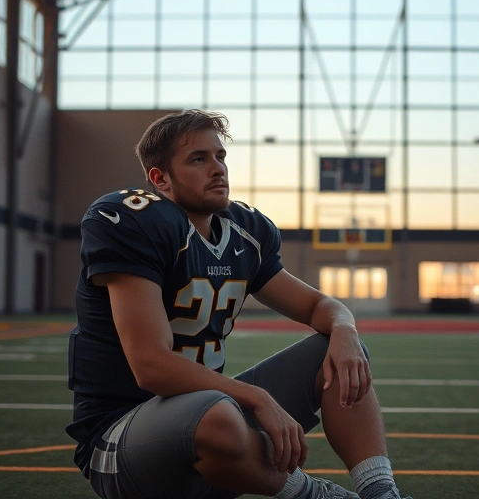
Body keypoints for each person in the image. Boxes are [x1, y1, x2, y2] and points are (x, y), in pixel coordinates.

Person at [66, 109, 411, 499]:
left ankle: (382, 492)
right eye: (199, 159)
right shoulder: (133, 222)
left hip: (212, 430)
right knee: (217, 413)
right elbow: (151, 367)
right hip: (123, 444)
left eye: (220, 156)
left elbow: (321, 308)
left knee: (337, 353)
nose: (217, 169)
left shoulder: (243, 232)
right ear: (160, 179)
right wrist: (256, 397)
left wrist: (345, 331)